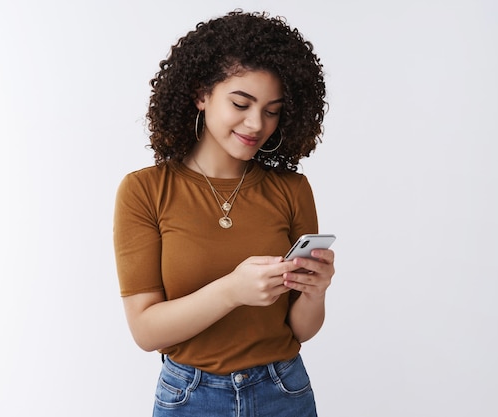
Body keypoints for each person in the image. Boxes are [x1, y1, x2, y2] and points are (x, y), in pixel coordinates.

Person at [113, 9, 335, 417]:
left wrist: (316, 291)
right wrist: (232, 291)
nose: (257, 124)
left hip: (283, 391)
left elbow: (302, 329)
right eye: (241, 103)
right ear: (201, 94)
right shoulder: (145, 191)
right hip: (190, 396)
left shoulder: (292, 189)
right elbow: (145, 331)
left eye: (272, 110)